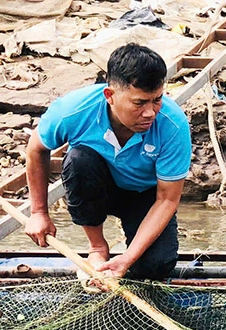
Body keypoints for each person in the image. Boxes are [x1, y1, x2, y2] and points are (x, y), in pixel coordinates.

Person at [23, 43, 191, 281]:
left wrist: (127, 259)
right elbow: (36, 149)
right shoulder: (74, 110)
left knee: (155, 266)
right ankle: (97, 247)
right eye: (139, 103)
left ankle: (122, 262)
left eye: (157, 100)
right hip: (96, 184)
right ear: (110, 96)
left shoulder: (173, 126)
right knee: (78, 158)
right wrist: (39, 212)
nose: (150, 112)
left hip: (145, 194)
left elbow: (167, 199)